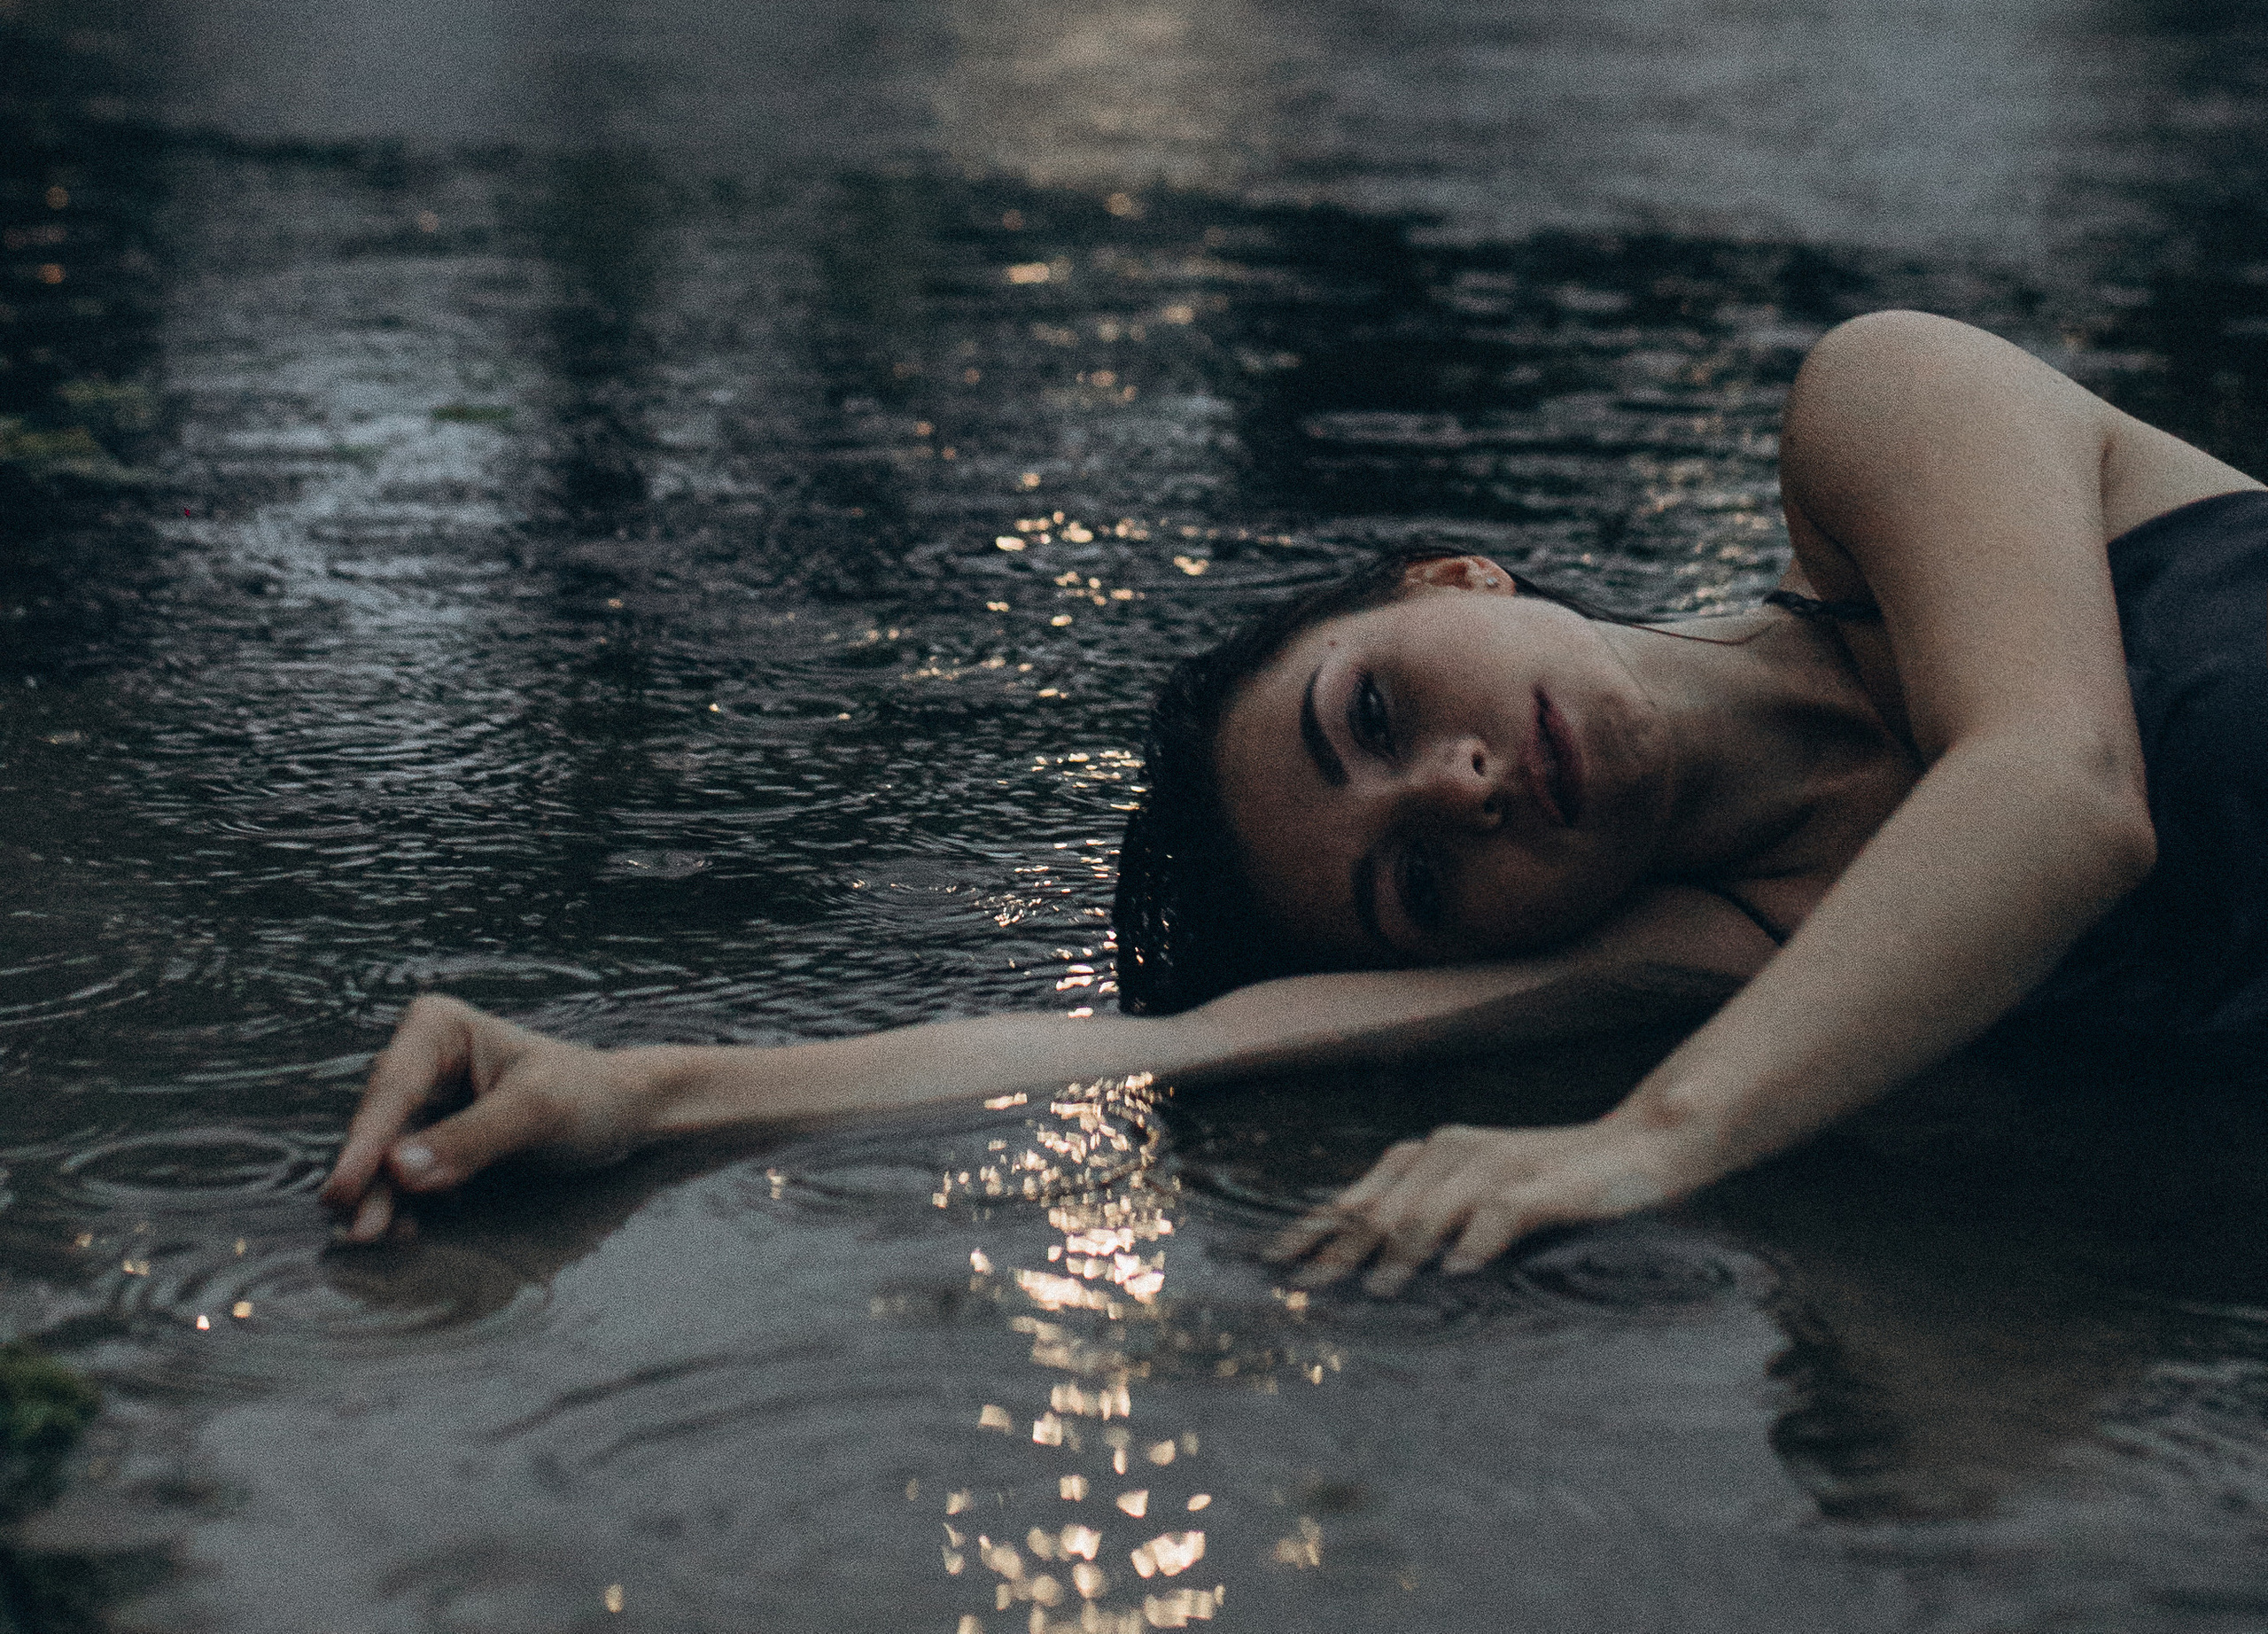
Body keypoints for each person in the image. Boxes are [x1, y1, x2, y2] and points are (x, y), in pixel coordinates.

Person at [322, 310, 2268, 1290]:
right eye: (1416, 884)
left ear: (1449, 578)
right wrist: (638, 1087)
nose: (1464, 789)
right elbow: (1175, 1038)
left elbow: (2057, 786)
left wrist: (1647, 1145)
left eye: (1371, 717)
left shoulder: (1881, 411)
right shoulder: (1740, 948)